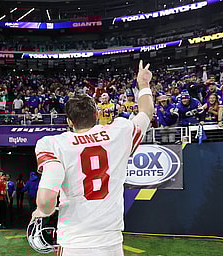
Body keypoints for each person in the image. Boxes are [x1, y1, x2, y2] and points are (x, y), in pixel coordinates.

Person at [30, 60, 154, 255]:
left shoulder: (53, 143)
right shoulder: (119, 131)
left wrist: (42, 212)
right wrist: (144, 85)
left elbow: (46, 199)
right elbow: (146, 112)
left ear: (70, 122)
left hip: (73, 241)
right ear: (96, 115)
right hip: (110, 242)